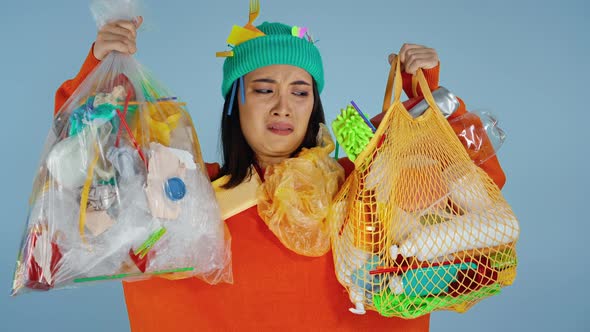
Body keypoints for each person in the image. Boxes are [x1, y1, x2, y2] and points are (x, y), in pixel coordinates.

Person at [53, 11, 506, 332]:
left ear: (315, 105)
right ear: (234, 102)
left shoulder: (361, 187)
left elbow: (470, 183)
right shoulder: (180, 191)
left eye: (301, 91)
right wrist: (101, 70)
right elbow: (83, 174)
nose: (283, 107)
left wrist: (424, 104)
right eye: (263, 89)